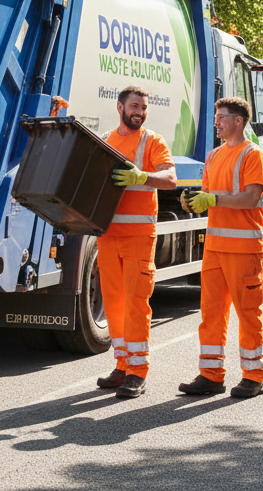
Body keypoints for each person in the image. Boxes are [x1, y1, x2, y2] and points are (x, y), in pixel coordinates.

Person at [178, 97, 263, 398]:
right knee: (211, 312)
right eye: (216, 116)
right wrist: (193, 200)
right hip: (215, 248)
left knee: (247, 313)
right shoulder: (214, 156)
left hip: (244, 250)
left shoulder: (252, 155)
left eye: (221, 117)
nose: (216, 122)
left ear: (238, 121)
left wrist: (213, 199)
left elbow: (250, 198)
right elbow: (207, 195)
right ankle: (210, 375)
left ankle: (253, 376)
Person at [96, 85, 176, 399]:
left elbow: (170, 178)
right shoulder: (105, 140)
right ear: (119, 107)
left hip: (139, 237)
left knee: (135, 304)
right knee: (113, 304)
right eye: (134, 106)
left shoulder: (152, 141)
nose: (139, 112)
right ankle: (122, 365)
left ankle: (137, 371)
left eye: (143, 107)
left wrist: (141, 176)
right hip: (108, 235)